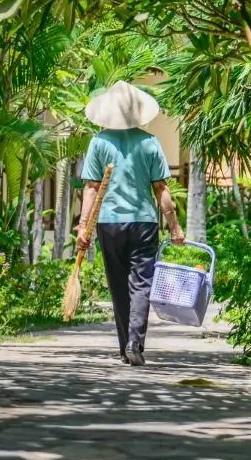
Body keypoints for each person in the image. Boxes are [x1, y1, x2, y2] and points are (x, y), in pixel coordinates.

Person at [75, 81, 185, 365]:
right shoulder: (149, 142)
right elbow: (161, 189)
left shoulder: (99, 142)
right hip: (143, 223)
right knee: (141, 283)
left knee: (118, 285)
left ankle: (127, 345)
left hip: (109, 224)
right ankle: (134, 343)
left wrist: (83, 226)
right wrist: (175, 227)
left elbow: (91, 187)